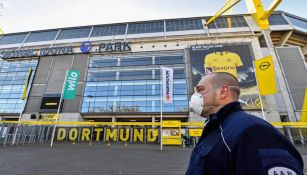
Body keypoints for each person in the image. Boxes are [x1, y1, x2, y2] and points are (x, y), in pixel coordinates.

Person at [186, 72, 303, 175]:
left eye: (201, 90)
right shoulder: (217, 128)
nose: (195, 96)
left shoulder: (254, 131)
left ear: (222, 92)